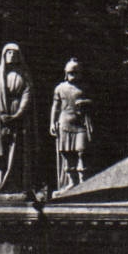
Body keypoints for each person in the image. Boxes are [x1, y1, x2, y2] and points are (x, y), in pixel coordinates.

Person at [0, 43, 33, 196]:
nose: (12, 56)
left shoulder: (24, 75)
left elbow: (27, 95)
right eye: (9, 53)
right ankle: (0, 182)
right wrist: (0, 115)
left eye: (15, 53)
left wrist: (17, 115)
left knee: (17, 151)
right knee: (0, 152)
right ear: (4, 55)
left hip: (18, 118)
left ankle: (17, 185)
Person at [49, 58, 93, 190]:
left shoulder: (85, 87)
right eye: (70, 73)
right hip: (65, 123)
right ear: (66, 73)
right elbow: (55, 107)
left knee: (82, 151)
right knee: (67, 153)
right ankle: (72, 182)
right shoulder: (60, 88)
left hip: (80, 124)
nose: (73, 75)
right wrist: (52, 123)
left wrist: (85, 102)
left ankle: (83, 181)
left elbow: (94, 103)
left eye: (76, 73)